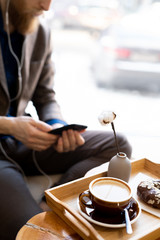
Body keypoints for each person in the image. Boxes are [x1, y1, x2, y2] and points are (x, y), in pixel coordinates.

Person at [0, 0, 132, 239]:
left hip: (24, 140)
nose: (47, 6)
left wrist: (57, 127)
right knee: (32, 233)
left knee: (118, 146)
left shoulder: (40, 31)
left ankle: (49, 204)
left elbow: (45, 96)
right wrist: (9, 125)